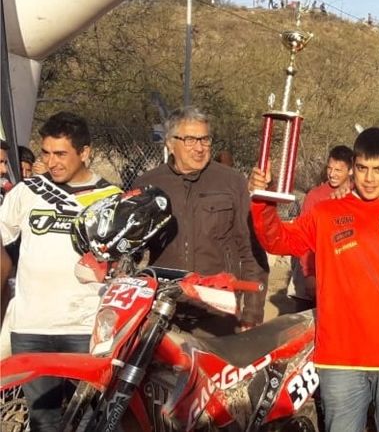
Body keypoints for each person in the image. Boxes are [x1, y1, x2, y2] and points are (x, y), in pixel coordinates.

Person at [249, 127, 379, 432]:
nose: (369, 178)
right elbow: (278, 240)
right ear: (353, 167)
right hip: (340, 357)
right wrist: (263, 199)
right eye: (363, 168)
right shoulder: (326, 211)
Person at [0, 111, 121, 431]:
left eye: (60, 154)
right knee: (43, 420)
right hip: (31, 328)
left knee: (90, 419)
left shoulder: (111, 199)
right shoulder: (26, 191)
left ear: (85, 152)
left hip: (85, 327)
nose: (51, 162)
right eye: (46, 153)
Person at [134, 106, 268, 333]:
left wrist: (252, 313)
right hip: (164, 309)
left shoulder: (231, 182)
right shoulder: (148, 184)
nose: (199, 148)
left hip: (218, 309)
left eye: (205, 140)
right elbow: (133, 249)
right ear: (170, 143)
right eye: (190, 140)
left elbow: (251, 250)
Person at [290, 144, 354, 310]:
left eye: (338, 170)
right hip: (316, 271)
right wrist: (309, 274)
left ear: (351, 171)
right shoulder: (315, 196)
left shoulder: (358, 195)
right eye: (329, 168)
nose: (332, 174)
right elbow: (304, 235)